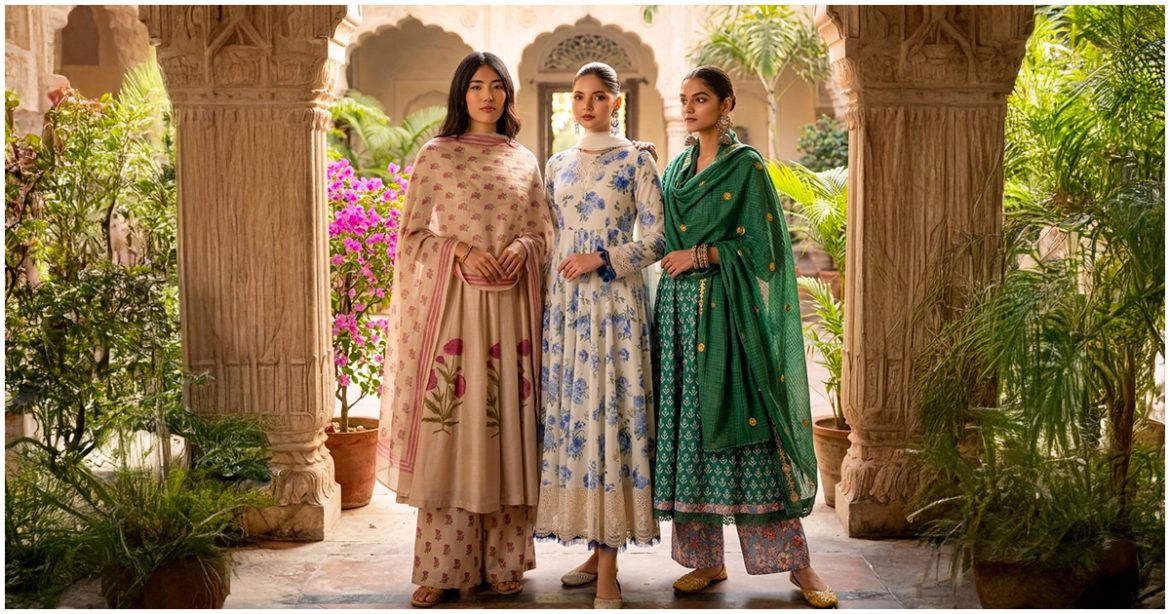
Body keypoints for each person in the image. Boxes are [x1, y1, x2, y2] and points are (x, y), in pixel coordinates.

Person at [652, 65, 838, 609]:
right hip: (680, 318)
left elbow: (765, 249)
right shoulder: (678, 168)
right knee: (692, 435)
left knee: (749, 436)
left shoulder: (746, 168)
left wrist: (704, 254)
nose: (689, 108)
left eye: (701, 99)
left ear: (726, 105)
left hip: (728, 318)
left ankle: (799, 568)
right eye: (684, 100)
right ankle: (706, 560)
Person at [376, 51, 554, 608]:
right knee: (452, 431)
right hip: (455, 312)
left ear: (507, 96)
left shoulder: (523, 160)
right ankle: (440, 566)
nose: (487, 96)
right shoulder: (436, 156)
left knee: (506, 432)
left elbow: (544, 233)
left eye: (497, 86)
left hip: (511, 315)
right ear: (461, 94)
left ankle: (507, 562)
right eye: (476, 86)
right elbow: (411, 236)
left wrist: (523, 250)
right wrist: (461, 253)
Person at [534, 62, 665, 609]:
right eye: (578, 97)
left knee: (611, 421)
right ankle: (593, 549)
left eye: (598, 97)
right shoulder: (557, 163)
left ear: (616, 103)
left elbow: (658, 239)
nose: (587, 106)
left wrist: (604, 257)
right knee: (577, 426)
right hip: (566, 315)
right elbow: (548, 233)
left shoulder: (638, 159)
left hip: (615, 310)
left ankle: (609, 569)